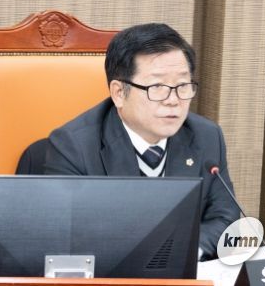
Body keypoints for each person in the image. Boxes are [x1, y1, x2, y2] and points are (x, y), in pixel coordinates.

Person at [44, 23, 239, 261]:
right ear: (119, 93)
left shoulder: (206, 136)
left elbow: (226, 219)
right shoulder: (73, 147)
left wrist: (184, 252)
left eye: (182, 85)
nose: (173, 100)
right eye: (157, 87)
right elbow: (66, 235)